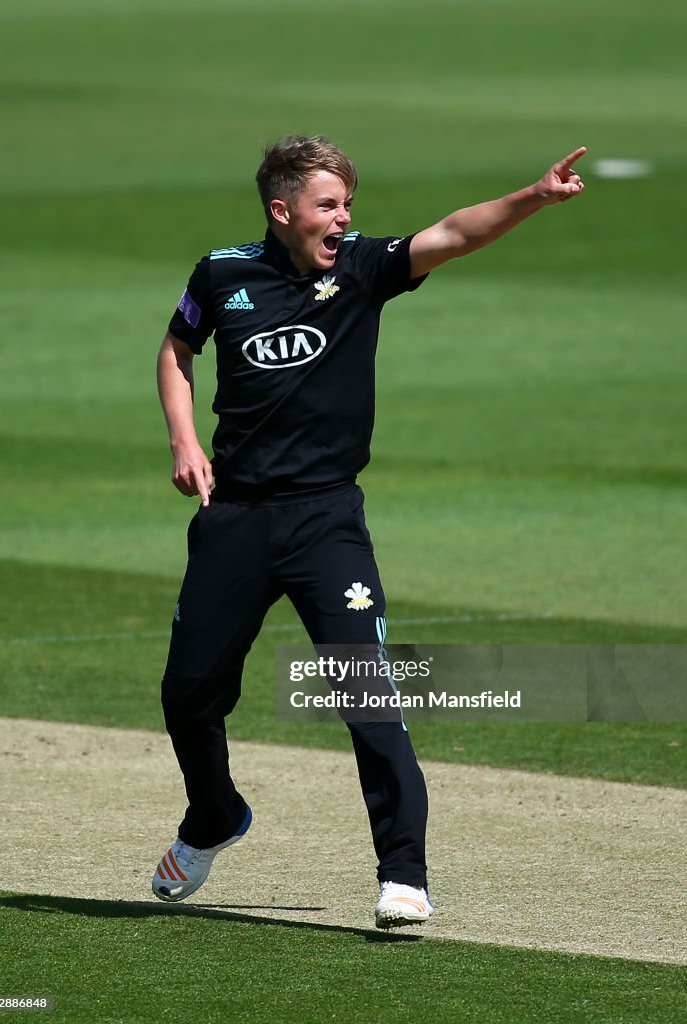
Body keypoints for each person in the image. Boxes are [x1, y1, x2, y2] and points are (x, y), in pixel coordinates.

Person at [152, 135, 586, 928]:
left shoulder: (361, 267)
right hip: (234, 519)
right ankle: (213, 817)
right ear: (282, 212)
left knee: (365, 690)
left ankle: (404, 873)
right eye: (328, 206)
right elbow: (178, 350)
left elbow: (453, 234)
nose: (344, 219)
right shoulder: (222, 273)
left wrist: (531, 196)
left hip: (325, 520)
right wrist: (183, 439)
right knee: (187, 694)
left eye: (348, 204)